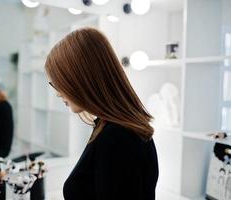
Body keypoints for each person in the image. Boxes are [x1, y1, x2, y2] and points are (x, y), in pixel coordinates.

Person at [45, 27, 159, 200]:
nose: (58, 93)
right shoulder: (111, 128)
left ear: (82, 78)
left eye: (60, 83)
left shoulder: (118, 137)